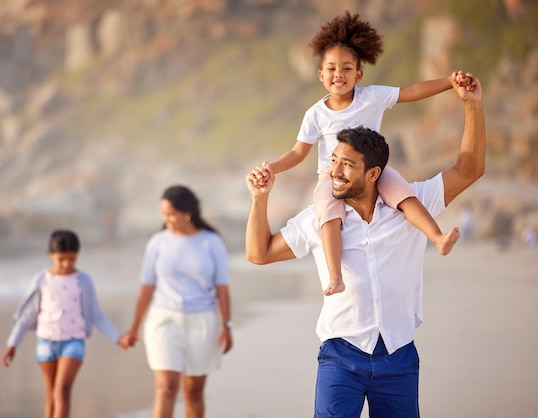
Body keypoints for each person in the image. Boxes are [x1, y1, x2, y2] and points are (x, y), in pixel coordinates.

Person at [245, 74, 484, 417]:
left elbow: (469, 169)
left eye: (347, 165)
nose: (335, 172)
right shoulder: (320, 218)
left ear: (373, 174)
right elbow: (259, 253)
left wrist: (472, 106)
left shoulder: (412, 205)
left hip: (398, 357)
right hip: (340, 358)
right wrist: (259, 199)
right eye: (334, 161)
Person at [257, 11, 469, 296]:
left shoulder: (373, 97)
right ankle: (335, 277)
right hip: (332, 178)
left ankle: (437, 237)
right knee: (327, 212)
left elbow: (412, 91)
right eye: (331, 68)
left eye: (346, 68)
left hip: (373, 170)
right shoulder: (316, 114)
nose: (338, 75)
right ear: (320, 75)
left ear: (359, 73)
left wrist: (448, 83)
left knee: (404, 195)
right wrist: (271, 168)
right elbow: (298, 153)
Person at [120, 185, 233, 418]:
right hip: (163, 319)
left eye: (171, 214)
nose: (166, 219)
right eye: (163, 214)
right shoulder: (158, 242)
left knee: (193, 391)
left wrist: (226, 326)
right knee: (166, 388)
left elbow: (222, 288)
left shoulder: (211, 242)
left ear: (187, 212)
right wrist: (133, 328)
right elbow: (146, 287)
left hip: (202, 321)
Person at [1, 229, 124, 418]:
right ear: (51, 255)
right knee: (51, 396)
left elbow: (96, 314)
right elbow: (26, 315)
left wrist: (117, 337)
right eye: (61, 259)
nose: (67, 264)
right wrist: (12, 345)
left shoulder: (83, 280)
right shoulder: (41, 280)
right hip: (46, 341)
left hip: (73, 341)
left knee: (63, 390)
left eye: (72, 259)